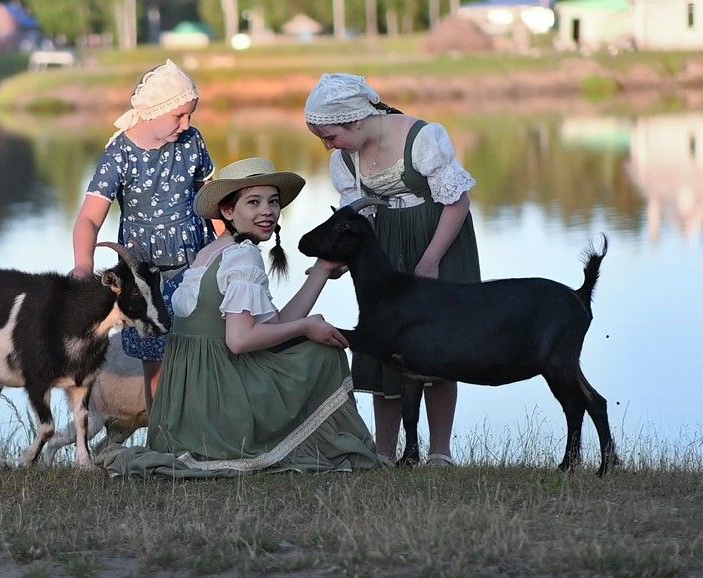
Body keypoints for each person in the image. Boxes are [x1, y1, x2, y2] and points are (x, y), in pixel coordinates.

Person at [96, 158, 386, 478]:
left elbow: (272, 326)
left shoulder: (212, 253)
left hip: (185, 403)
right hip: (220, 395)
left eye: (273, 202)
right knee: (323, 354)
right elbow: (239, 341)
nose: (267, 211)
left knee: (310, 341)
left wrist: (321, 270)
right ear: (228, 211)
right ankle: (317, 443)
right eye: (254, 202)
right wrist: (307, 326)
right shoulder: (242, 256)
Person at [304, 73, 481, 466]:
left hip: (437, 240)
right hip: (383, 249)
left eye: (329, 136)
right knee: (383, 341)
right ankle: (383, 451)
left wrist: (431, 260)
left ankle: (439, 452)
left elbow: (457, 204)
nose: (327, 146)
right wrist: (339, 263)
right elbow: (355, 218)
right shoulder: (345, 160)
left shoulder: (422, 139)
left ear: (355, 119)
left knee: (437, 344)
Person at [71, 59, 221, 414]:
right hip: (144, 280)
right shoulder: (119, 155)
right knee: (156, 368)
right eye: (179, 116)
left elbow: (212, 202)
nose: (186, 125)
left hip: (195, 266)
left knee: (203, 352)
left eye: (190, 116)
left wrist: (226, 248)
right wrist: (82, 265)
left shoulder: (191, 143)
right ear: (153, 112)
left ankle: (207, 437)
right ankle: (163, 440)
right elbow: (89, 219)